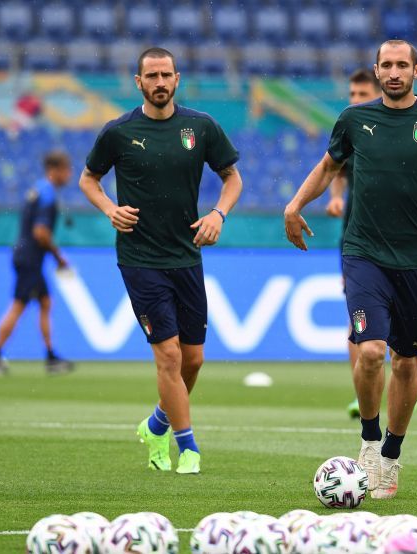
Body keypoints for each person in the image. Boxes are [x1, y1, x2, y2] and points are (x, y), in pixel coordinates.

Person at [285, 40, 417, 499]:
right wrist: (295, 204)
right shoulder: (355, 120)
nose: (393, 72)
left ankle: (392, 455)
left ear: (416, 70)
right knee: (370, 350)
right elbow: (328, 166)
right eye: (386, 65)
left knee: (406, 360)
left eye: (401, 66)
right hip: (364, 254)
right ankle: (369, 443)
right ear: (377, 70)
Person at [78, 47, 242, 475]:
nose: (160, 82)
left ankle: (157, 424)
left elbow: (232, 177)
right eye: (151, 75)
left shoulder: (200, 127)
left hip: (186, 256)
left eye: (166, 74)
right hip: (140, 258)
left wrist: (218, 214)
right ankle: (187, 448)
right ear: (138, 83)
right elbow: (88, 179)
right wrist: (109, 209)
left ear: (177, 78)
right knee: (168, 356)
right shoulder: (118, 132)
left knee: (193, 359)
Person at [323, 68, 382, 420]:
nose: (355, 101)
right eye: (352, 94)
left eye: (362, 94)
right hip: (355, 241)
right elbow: (335, 169)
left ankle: (404, 381)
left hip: (398, 241)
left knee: (401, 325)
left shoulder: (393, 130)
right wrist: (335, 197)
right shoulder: (352, 130)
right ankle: (361, 392)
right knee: (356, 319)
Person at [0, 150, 75, 376]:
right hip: (30, 259)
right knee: (18, 305)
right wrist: (58, 256)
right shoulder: (47, 195)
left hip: (25, 256)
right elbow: (40, 232)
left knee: (45, 302)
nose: (70, 174)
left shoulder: (37, 189)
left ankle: (51, 356)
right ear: (55, 170)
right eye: (66, 170)